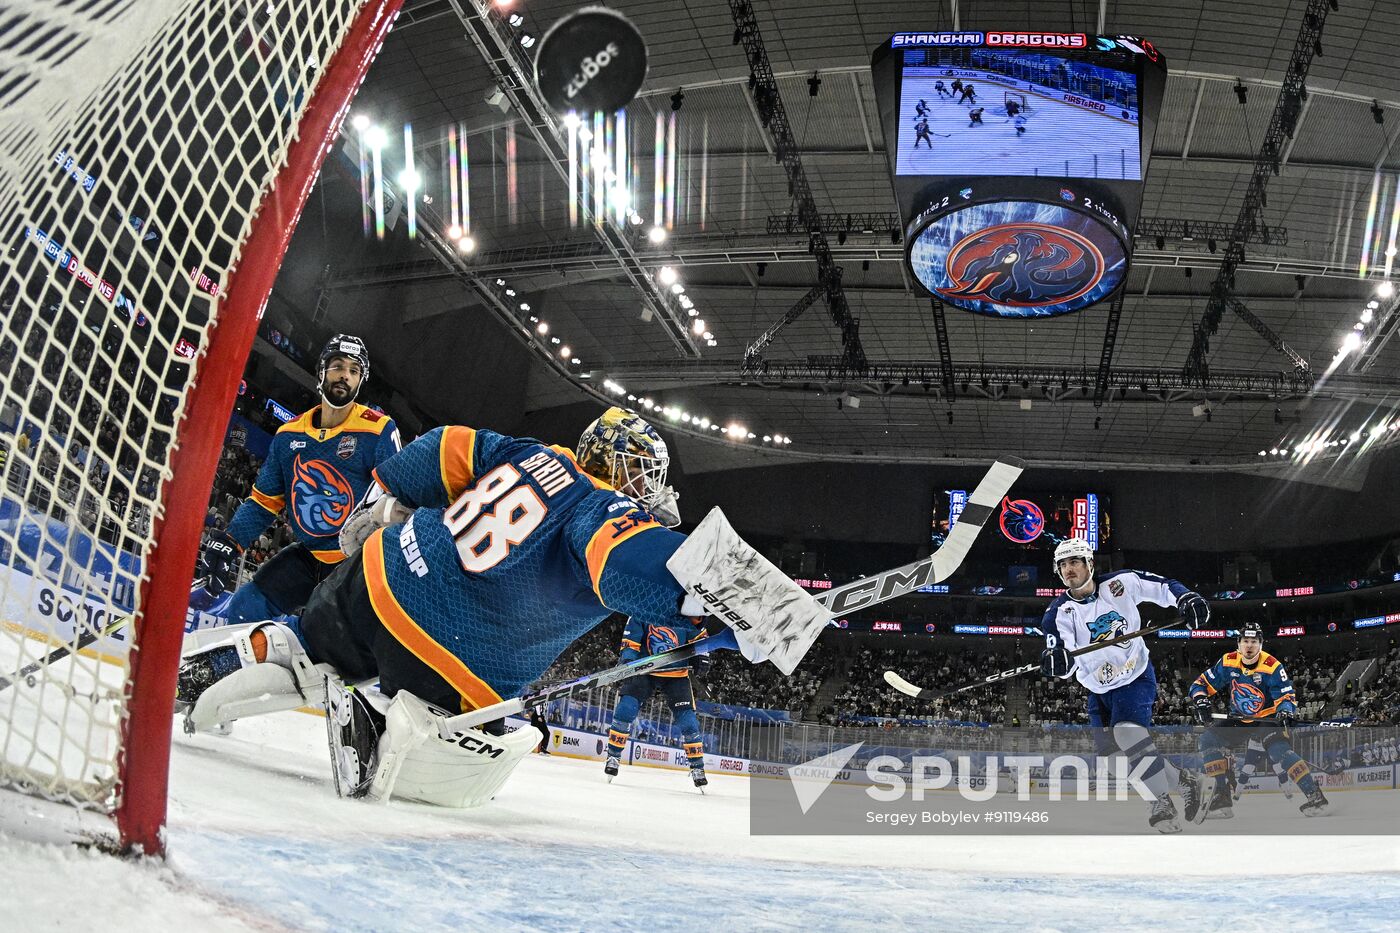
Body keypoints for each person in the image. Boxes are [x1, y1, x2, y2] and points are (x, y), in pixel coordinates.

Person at [175, 407, 710, 807]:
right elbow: (640, 566)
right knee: (491, 749)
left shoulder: (525, 451)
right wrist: (717, 605)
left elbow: (444, 445)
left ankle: (269, 646)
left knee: (308, 642)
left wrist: (381, 499)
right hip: (451, 652)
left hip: (376, 576)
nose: (650, 486)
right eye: (643, 470)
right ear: (611, 458)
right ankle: (385, 720)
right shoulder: (603, 505)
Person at [200, 334, 400, 625]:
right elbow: (264, 502)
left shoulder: (378, 430)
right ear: (322, 371)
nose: (345, 375)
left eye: (354, 371)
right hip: (308, 556)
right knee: (247, 605)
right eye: (338, 366)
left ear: (360, 381)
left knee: (314, 637)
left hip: (354, 566)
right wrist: (232, 540)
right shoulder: (288, 435)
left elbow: (401, 498)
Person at [1039, 538, 1211, 833]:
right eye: (1063, 564)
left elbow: (1163, 586)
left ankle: (1160, 803)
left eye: (1075, 561)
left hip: (1134, 676)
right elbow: (1061, 655)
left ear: (1090, 564)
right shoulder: (1058, 614)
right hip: (1099, 690)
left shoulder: (1120, 583)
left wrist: (1187, 598)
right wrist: (1059, 663)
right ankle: (1185, 780)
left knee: (1127, 733)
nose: (1069, 569)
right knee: (1114, 762)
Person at [1188, 622, 1328, 820]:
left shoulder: (1271, 666)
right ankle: (1221, 797)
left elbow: (1286, 695)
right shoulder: (1228, 661)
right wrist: (1201, 700)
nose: (1249, 645)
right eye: (1245, 641)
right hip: (1239, 718)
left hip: (1266, 719)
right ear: (1239, 644)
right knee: (1208, 741)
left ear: (1261, 644)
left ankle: (1314, 795)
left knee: (1279, 751)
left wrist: (1285, 711)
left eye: (1254, 641)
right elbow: (1200, 684)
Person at [603, 617, 709, 789]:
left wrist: (702, 655)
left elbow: (699, 634)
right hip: (645, 668)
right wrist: (628, 658)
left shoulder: (685, 608)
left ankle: (698, 768)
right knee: (626, 708)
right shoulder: (645, 603)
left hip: (676, 673)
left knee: (688, 722)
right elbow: (632, 636)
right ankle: (613, 756)